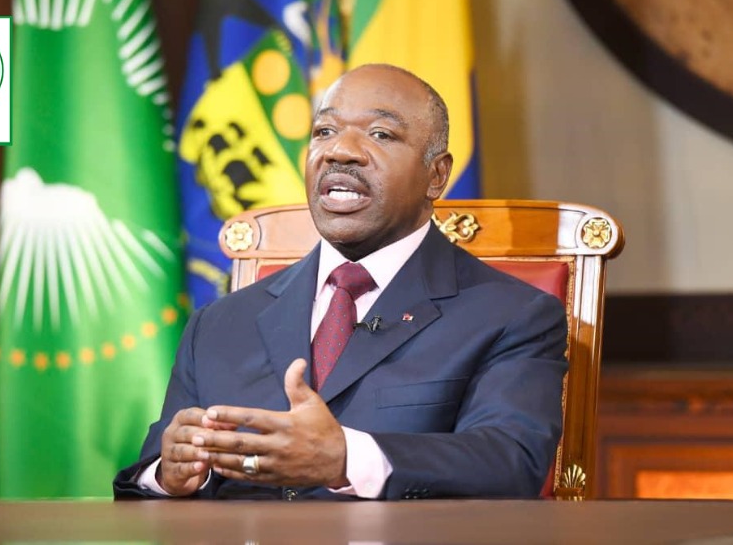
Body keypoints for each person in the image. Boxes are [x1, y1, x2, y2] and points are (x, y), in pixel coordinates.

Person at [114, 64, 568, 500]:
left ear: (436, 175)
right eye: (324, 131)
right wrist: (169, 475)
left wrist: (347, 459)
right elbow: (147, 481)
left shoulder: (511, 315)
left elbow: (511, 460)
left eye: (380, 134)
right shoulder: (218, 323)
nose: (339, 151)